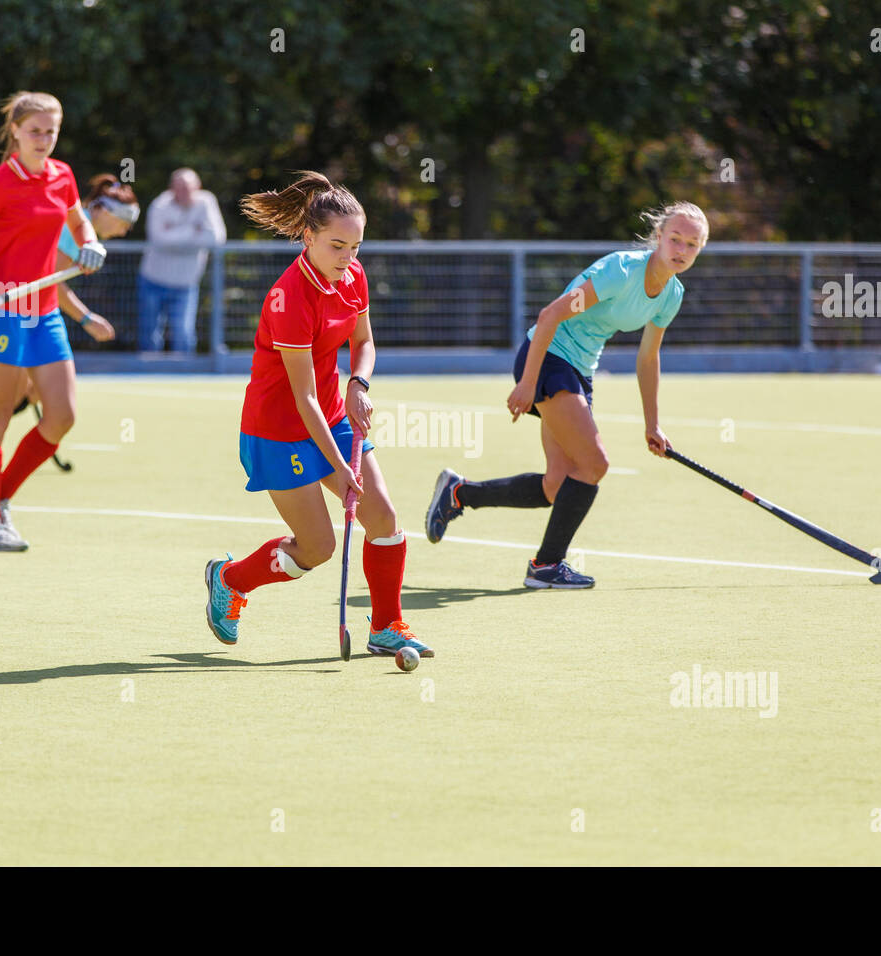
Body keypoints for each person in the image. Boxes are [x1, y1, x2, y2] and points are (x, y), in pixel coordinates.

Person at [204, 171, 432, 659]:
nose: (348, 258)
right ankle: (229, 579)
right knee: (317, 549)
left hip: (332, 415)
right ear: (308, 238)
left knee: (385, 518)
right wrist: (344, 468)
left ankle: (387, 627)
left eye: (356, 247)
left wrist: (358, 384)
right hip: (278, 432)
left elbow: (364, 342)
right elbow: (302, 397)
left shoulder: (353, 277)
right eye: (337, 246)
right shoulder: (289, 298)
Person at [424, 201, 709, 588]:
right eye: (675, 239)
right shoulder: (621, 272)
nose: (681, 250)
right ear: (658, 237)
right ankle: (547, 565)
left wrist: (653, 424)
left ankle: (459, 493)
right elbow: (550, 315)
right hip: (549, 358)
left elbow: (648, 358)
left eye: (692, 244)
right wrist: (527, 382)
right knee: (594, 464)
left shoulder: (671, 294)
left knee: (556, 486)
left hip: (579, 370)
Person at [0, 90, 107, 550]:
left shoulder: (63, 176)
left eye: (51, 132)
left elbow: (80, 224)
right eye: (35, 131)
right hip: (2, 314)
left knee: (61, 417)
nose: (43, 139)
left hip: (44, 312)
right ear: (15, 131)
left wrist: (91, 243)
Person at [0, 174, 138, 478]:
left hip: (30, 313)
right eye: (124, 224)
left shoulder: (82, 231)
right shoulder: (75, 227)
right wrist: (86, 319)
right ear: (105, 212)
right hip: (14, 312)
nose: (123, 232)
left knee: (28, 392)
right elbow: (54, 284)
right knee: (13, 394)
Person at [136, 168, 226, 353]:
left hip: (186, 283)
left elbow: (216, 238)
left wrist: (175, 233)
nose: (183, 192)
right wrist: (194, 231)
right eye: (178, 187)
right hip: (153, 279)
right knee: (149, 336)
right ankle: (149, 377)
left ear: (197, 187)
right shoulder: (160, 205)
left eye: (187, 187)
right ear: (171, 188)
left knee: (184, 335)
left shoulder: (206, 202)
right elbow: (158, 239)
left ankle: (186, 376)